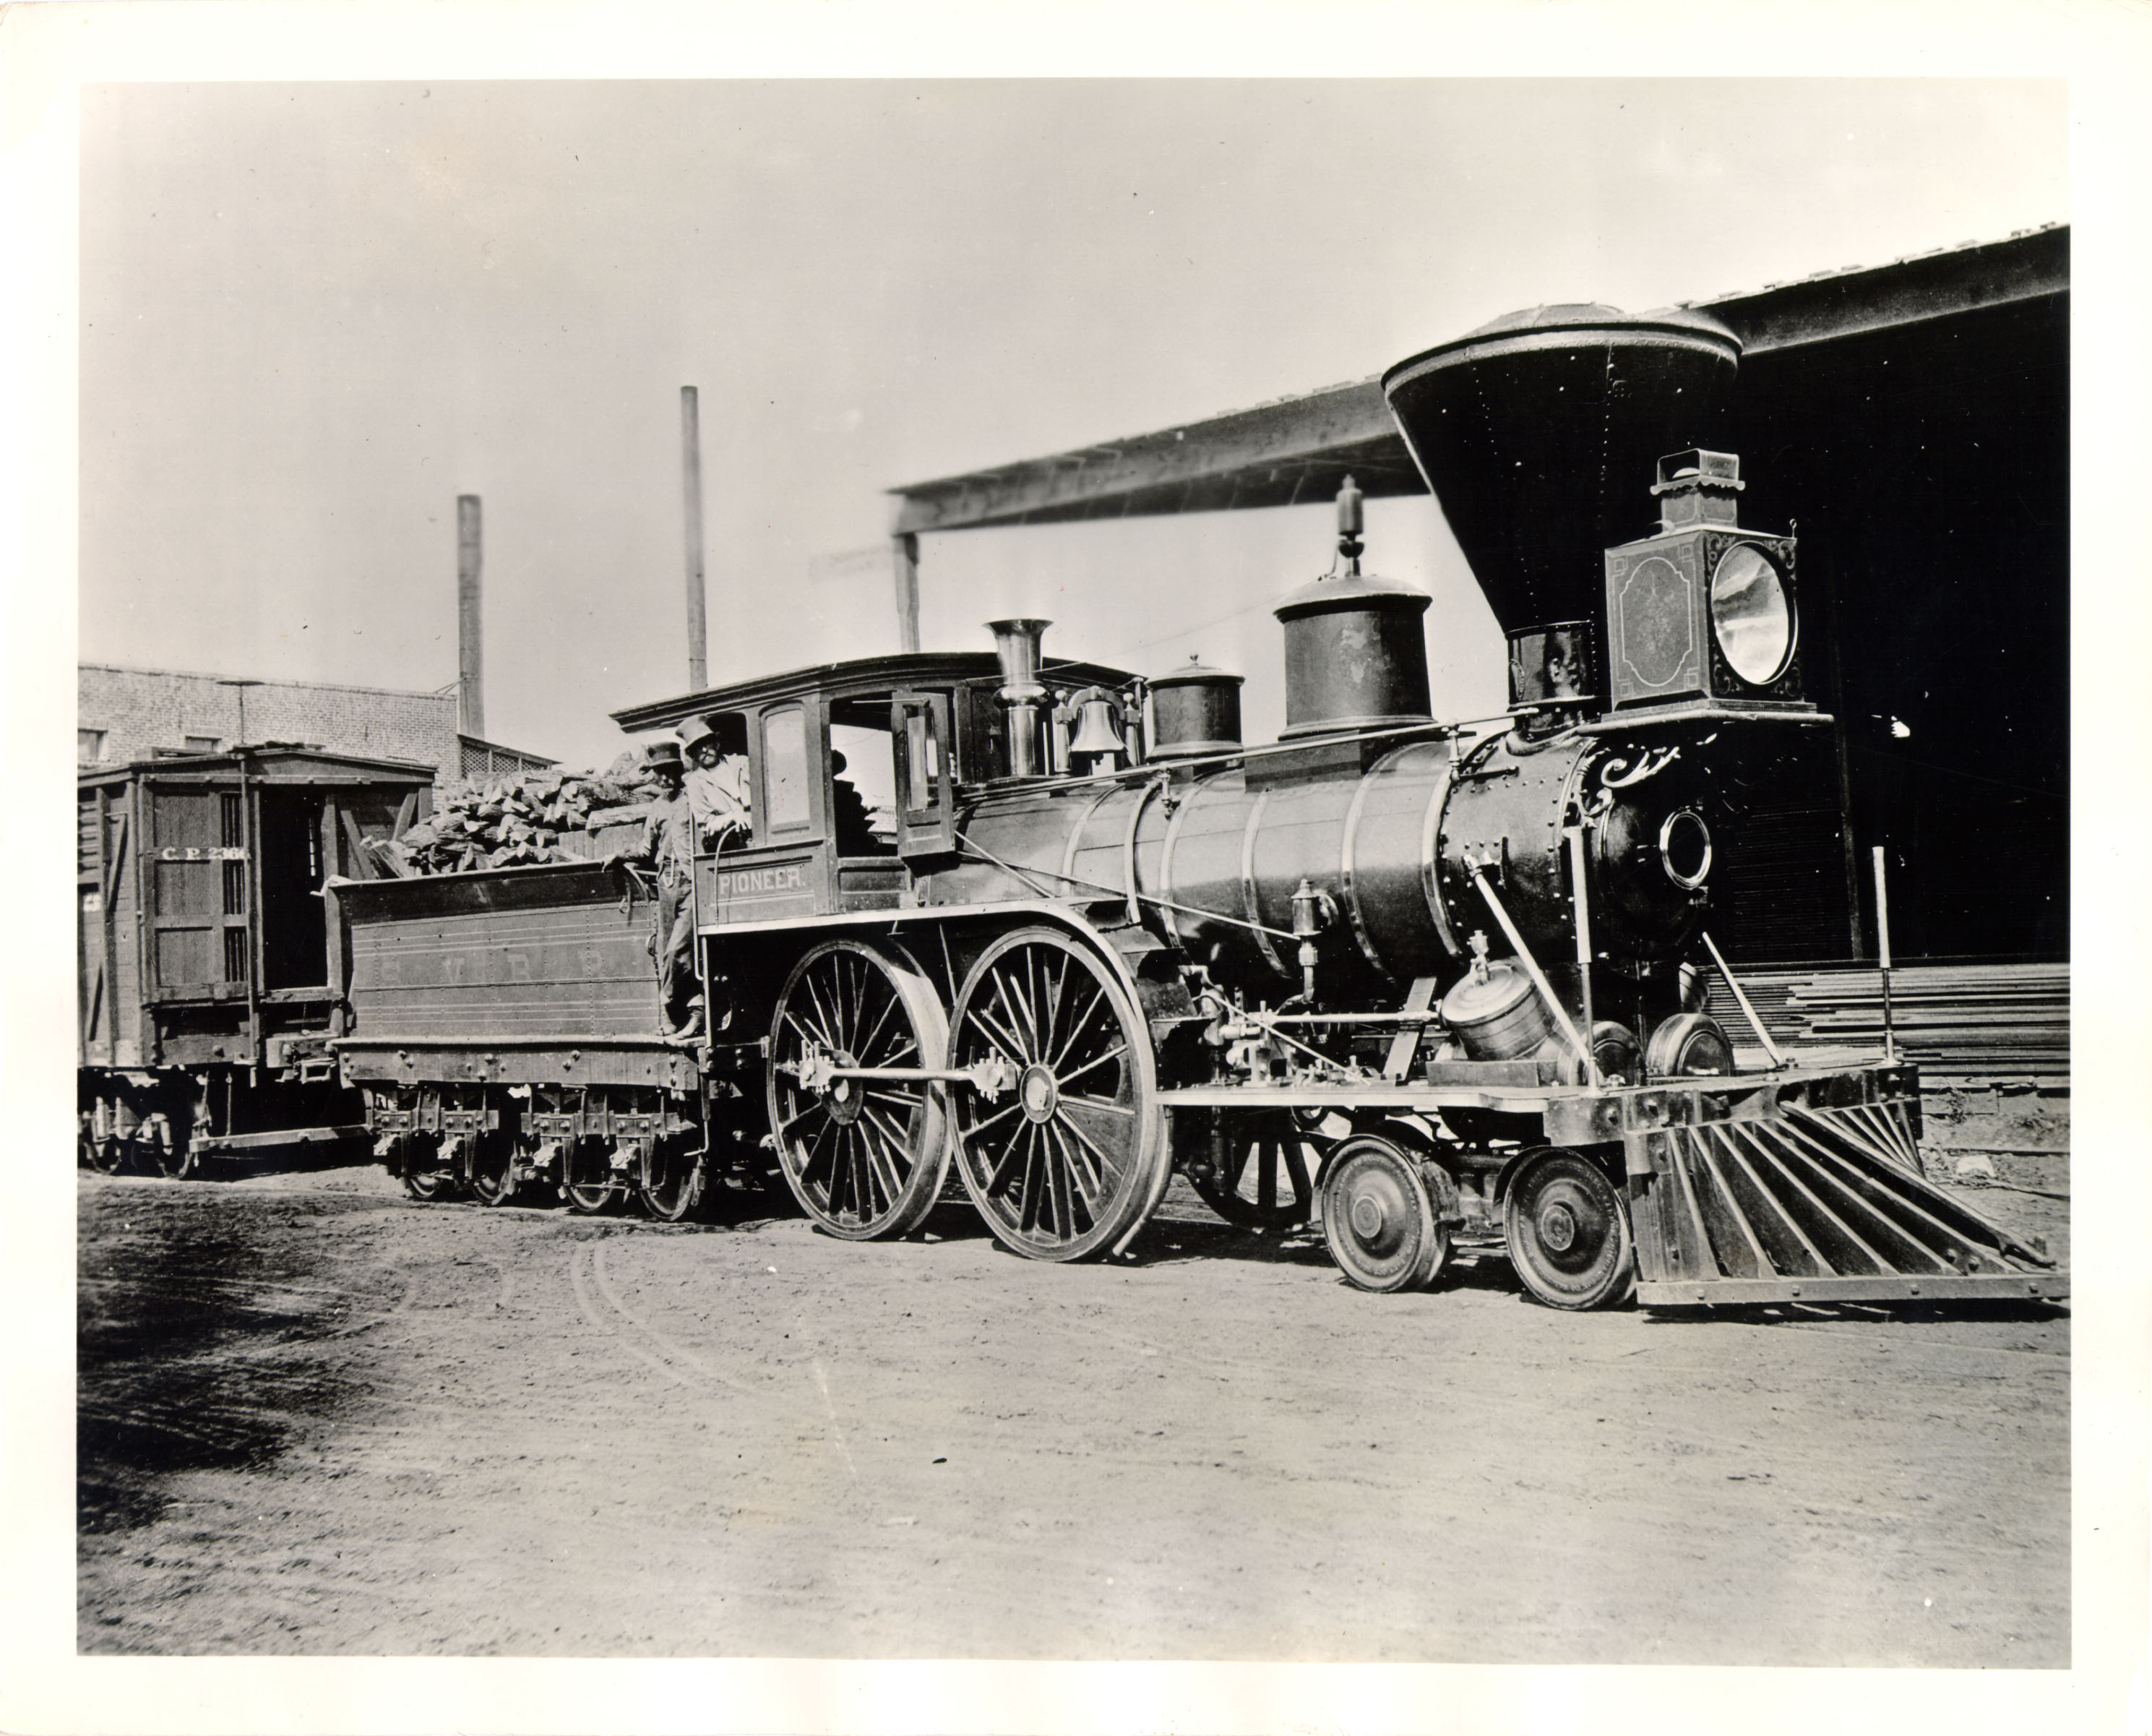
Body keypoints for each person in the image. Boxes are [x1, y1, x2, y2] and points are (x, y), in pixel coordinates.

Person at [627, 740, 702, 1039]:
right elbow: (647, 847)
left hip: (693, 880)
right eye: (659, 774)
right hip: (666, 882)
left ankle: (666, 998)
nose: (665, 779)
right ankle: (692, 1014)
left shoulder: (693, 797)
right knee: (664, 950)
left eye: (670, 771)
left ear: (679, 771)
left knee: (679, 950)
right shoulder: (657, 806)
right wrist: (622, 855)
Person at [675, 713, 749, 851]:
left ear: (717, 743)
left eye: (707, 743)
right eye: (698, 747)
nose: (704, 750)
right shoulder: (695, 783)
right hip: (735, 843)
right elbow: (706, 823)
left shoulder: (743, 763)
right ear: (692, 755)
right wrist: (733, 816)